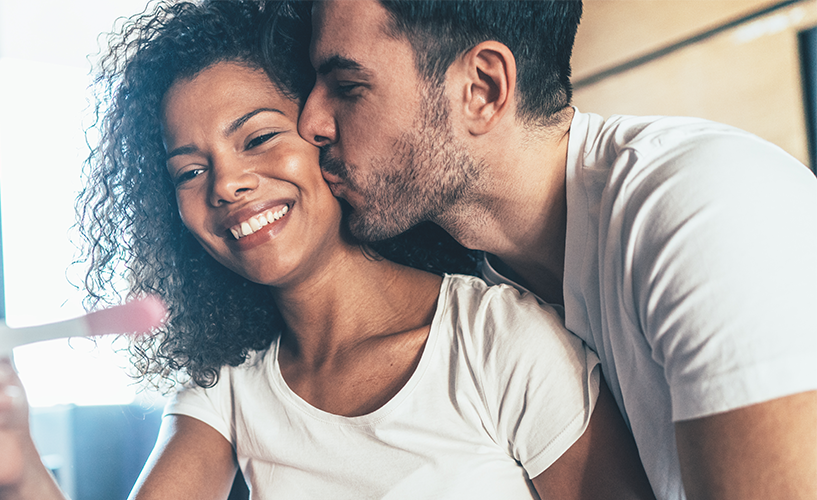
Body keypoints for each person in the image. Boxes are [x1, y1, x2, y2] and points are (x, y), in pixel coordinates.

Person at [0, 2, 655, 498]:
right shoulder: (229, 385)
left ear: (326, 133)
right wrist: (14, 473)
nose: (227, 184)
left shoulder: (500, 344)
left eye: (258, 137)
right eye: (189, 171)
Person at [294, 1, 817, 499]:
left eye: (347, 86)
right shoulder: (464, 290)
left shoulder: (706, 209)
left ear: (482, 88)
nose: (309, 122)